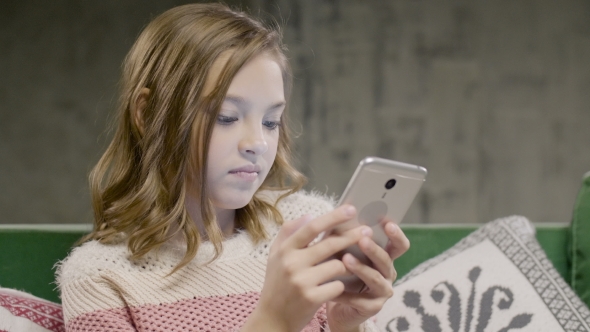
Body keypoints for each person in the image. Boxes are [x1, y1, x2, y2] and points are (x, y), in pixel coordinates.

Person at [56, 3, 410, 332]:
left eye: (271, 122)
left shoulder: (306, 227)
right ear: (148, 115)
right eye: (226, 117)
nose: (256, 142)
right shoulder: (99, 279)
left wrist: (345, 325)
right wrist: (274, 321)